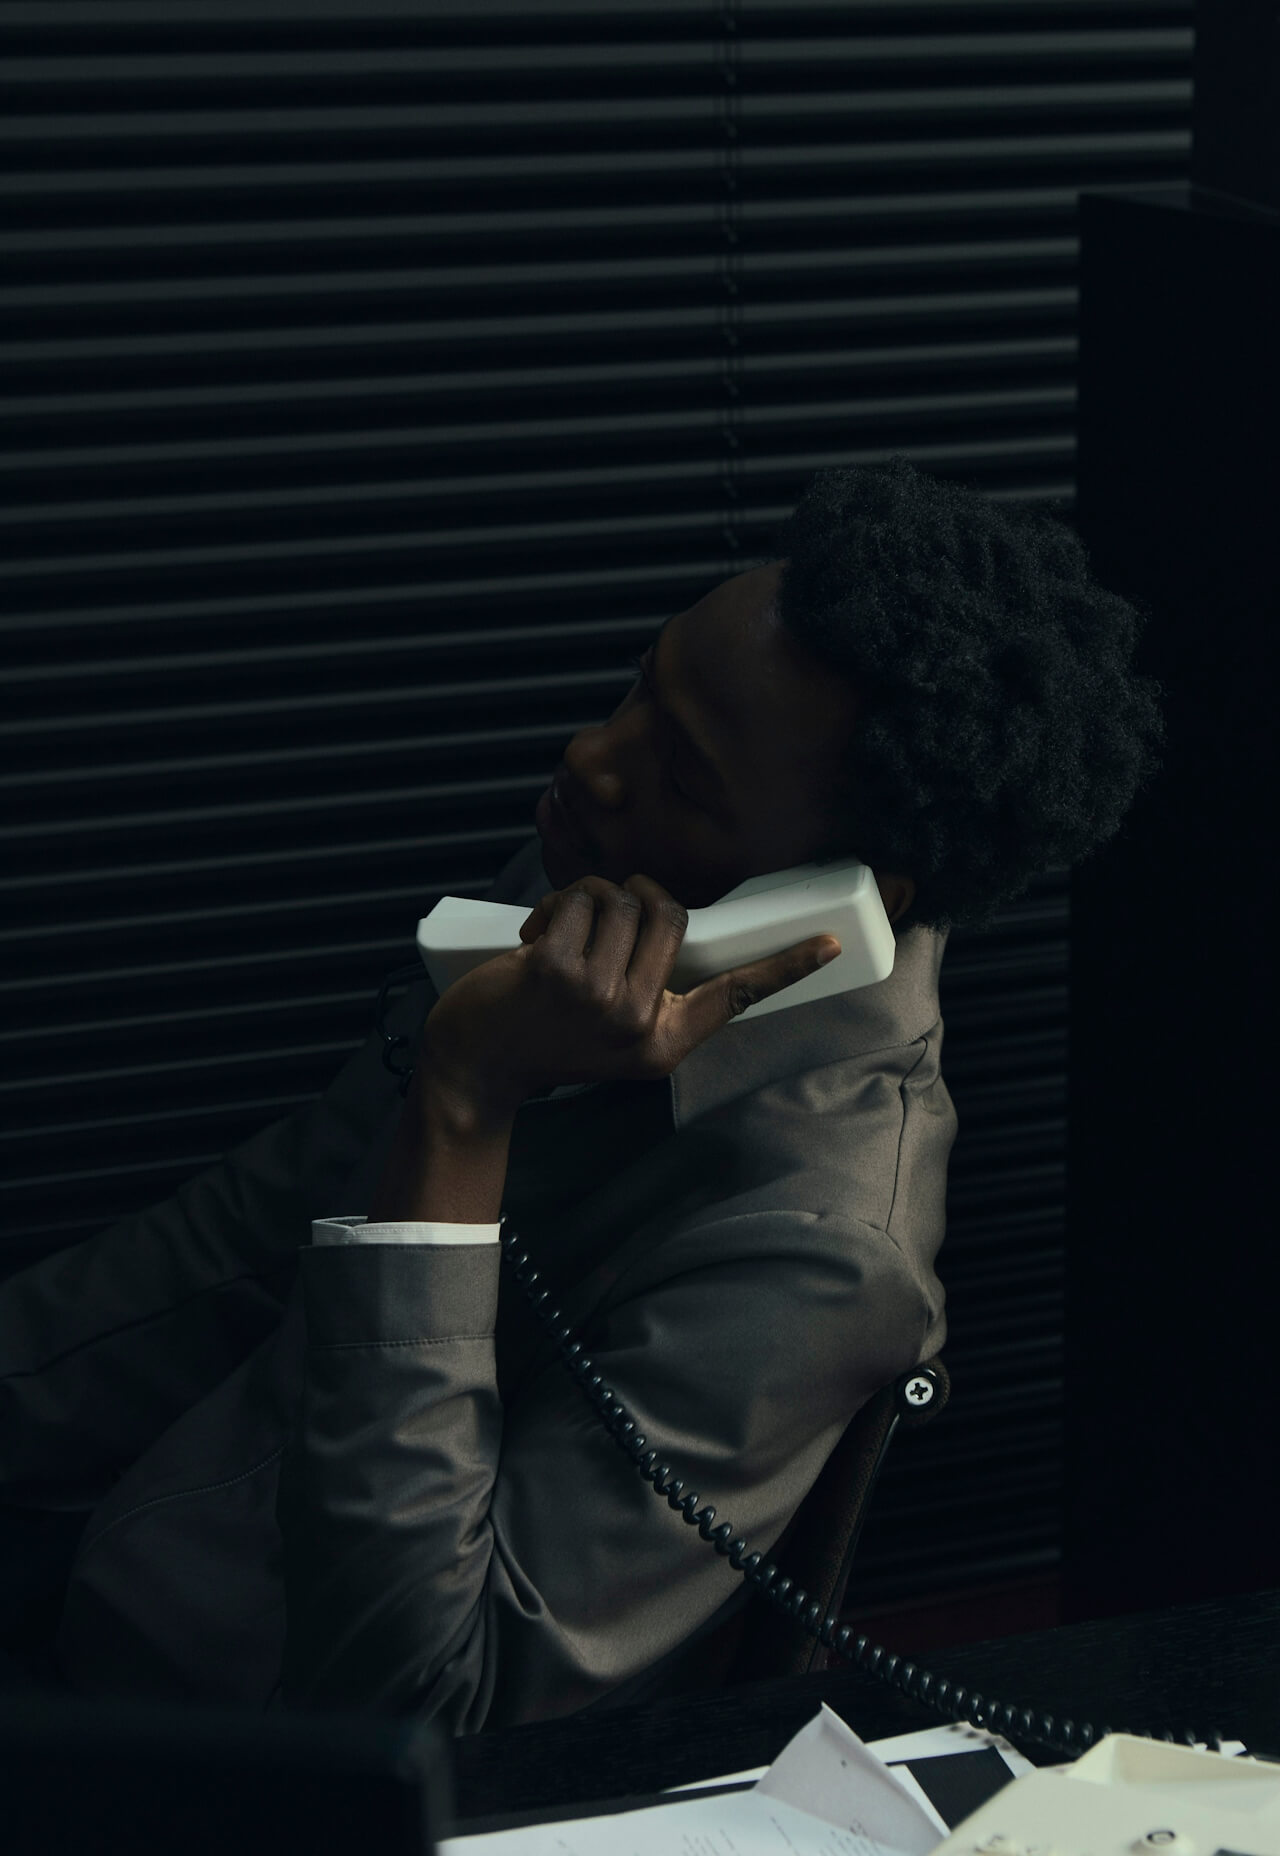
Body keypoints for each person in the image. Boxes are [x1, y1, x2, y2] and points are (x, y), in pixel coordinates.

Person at [0, 459, 1165, 1732]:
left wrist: (463, 1110)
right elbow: (235, 1249)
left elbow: (427, 1699)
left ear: (828, 902)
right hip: (115, 1607)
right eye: (638, 689)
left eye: (682, 778)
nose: (591, 758)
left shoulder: (822, 1257)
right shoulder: (611, 897)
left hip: (243, 1752)